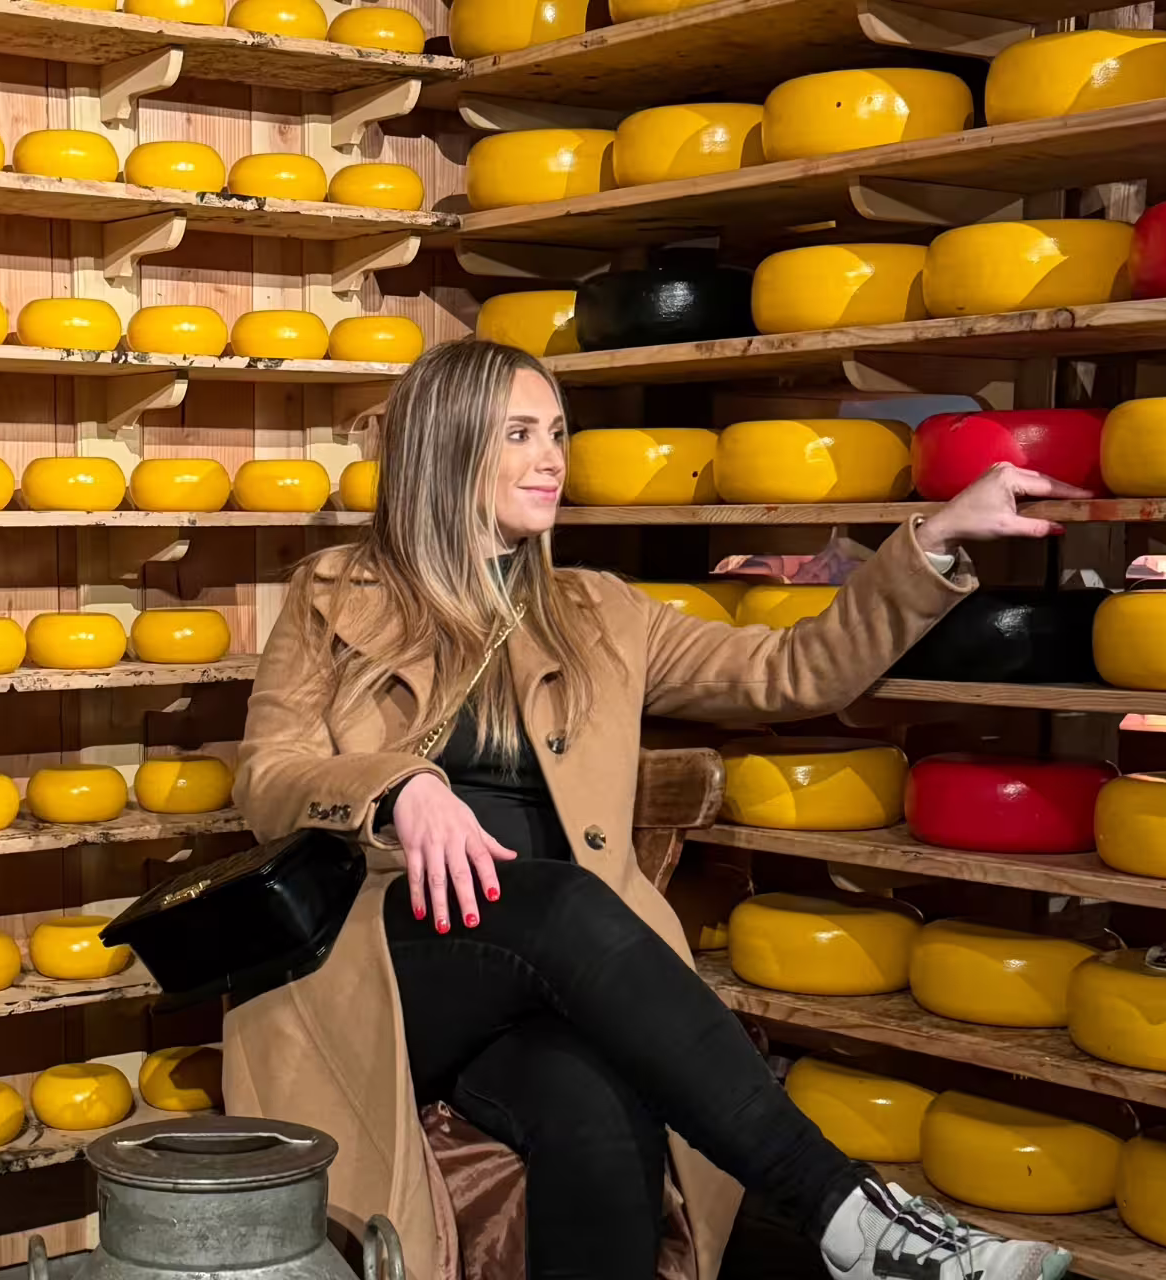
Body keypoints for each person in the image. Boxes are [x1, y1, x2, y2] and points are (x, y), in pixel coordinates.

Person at [221, 339, 1085, 1280]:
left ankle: (859, 1231)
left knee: (597, 1105)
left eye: (558, 433)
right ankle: (845, 1213)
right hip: (388, 966)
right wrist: (398, 786)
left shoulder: (600, 612)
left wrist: (934, 541)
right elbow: (268, 776)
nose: (552, 460)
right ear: (449, 446)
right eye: (519, 435)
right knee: (560, 902)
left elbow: (788, 672)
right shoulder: (335, 596)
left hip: (551, 974)